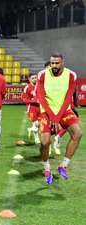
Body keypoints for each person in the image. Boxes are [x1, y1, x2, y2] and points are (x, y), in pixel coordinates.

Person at [36, 53, 82, 185]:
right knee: (45, 143)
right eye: (52, 63)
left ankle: (63, 166)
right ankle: (47, 170)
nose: (54, 66)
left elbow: (68, 97)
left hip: (64, 110)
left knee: (77, 134)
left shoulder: (71, 75)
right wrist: (52, 116)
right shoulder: (43, 75)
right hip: (47, 112)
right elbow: (41, 98)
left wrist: (57, 117)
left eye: (57, 63)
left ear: (63, 62)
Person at [23, 73, 41, 145]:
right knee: (36, 124)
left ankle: (31, 129)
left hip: (40, 108)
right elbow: (24, 100)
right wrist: (34, 101)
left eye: (35, 78)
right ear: (30, 79)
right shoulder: (27, 88)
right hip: (32, 108)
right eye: (32, 78)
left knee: (40, 124)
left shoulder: (40, 86)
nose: (34, 79)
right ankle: (36, 138)